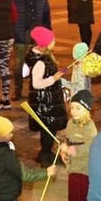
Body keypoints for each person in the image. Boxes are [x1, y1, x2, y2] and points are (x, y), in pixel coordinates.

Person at [58, 89, 97, 201]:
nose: (73, 111)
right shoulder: (70, 123)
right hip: (73, 168)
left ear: (87, 109)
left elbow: (89, 148)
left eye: (78, 108)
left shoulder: (90, 127)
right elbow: (67, 141)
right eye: (72, 107)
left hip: (85, 170)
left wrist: (71, 150)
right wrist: (63, 152)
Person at [24, 26, 67, 166]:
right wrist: (53, 79)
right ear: (44, 44)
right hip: (45, 102)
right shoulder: (40, 62)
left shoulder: (44, 58)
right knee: (49, 130)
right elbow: (36, 83)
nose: (55, 42)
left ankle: (46, 153)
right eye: (52, 40)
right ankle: (45, 155)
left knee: (49, 130)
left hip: (49, 100)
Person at [12, 0, 52, 100]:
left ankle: (35, 89)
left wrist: (47, 30)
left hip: (38, 33)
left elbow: (46, 12)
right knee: (18, 64)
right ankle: (17, 89)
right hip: (21, 33)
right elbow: (10, 15)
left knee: (38, 62)